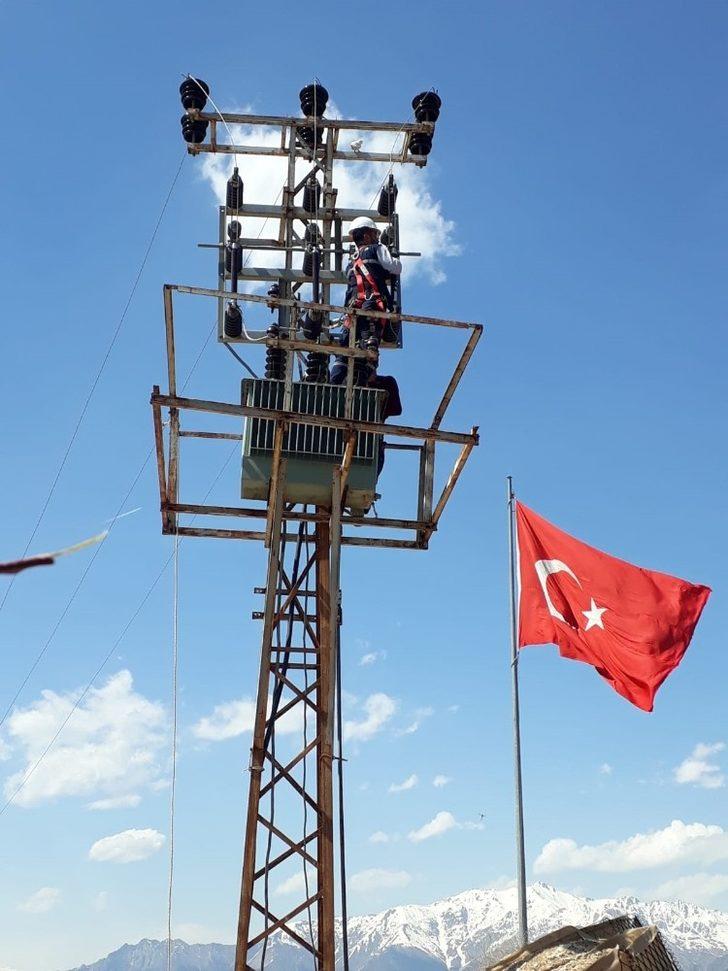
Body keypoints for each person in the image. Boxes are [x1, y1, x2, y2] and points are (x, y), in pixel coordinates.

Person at [329, 216, 402, 387]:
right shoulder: (377, 249)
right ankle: (359, 391)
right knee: (367, 351)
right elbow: (395, 267)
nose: (377, 237)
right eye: (374, 234)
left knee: (344, 352)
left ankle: (333, 386)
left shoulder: (351, 264)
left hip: (352, 312)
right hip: (372, 310)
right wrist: (392, 256)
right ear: (368, 235)